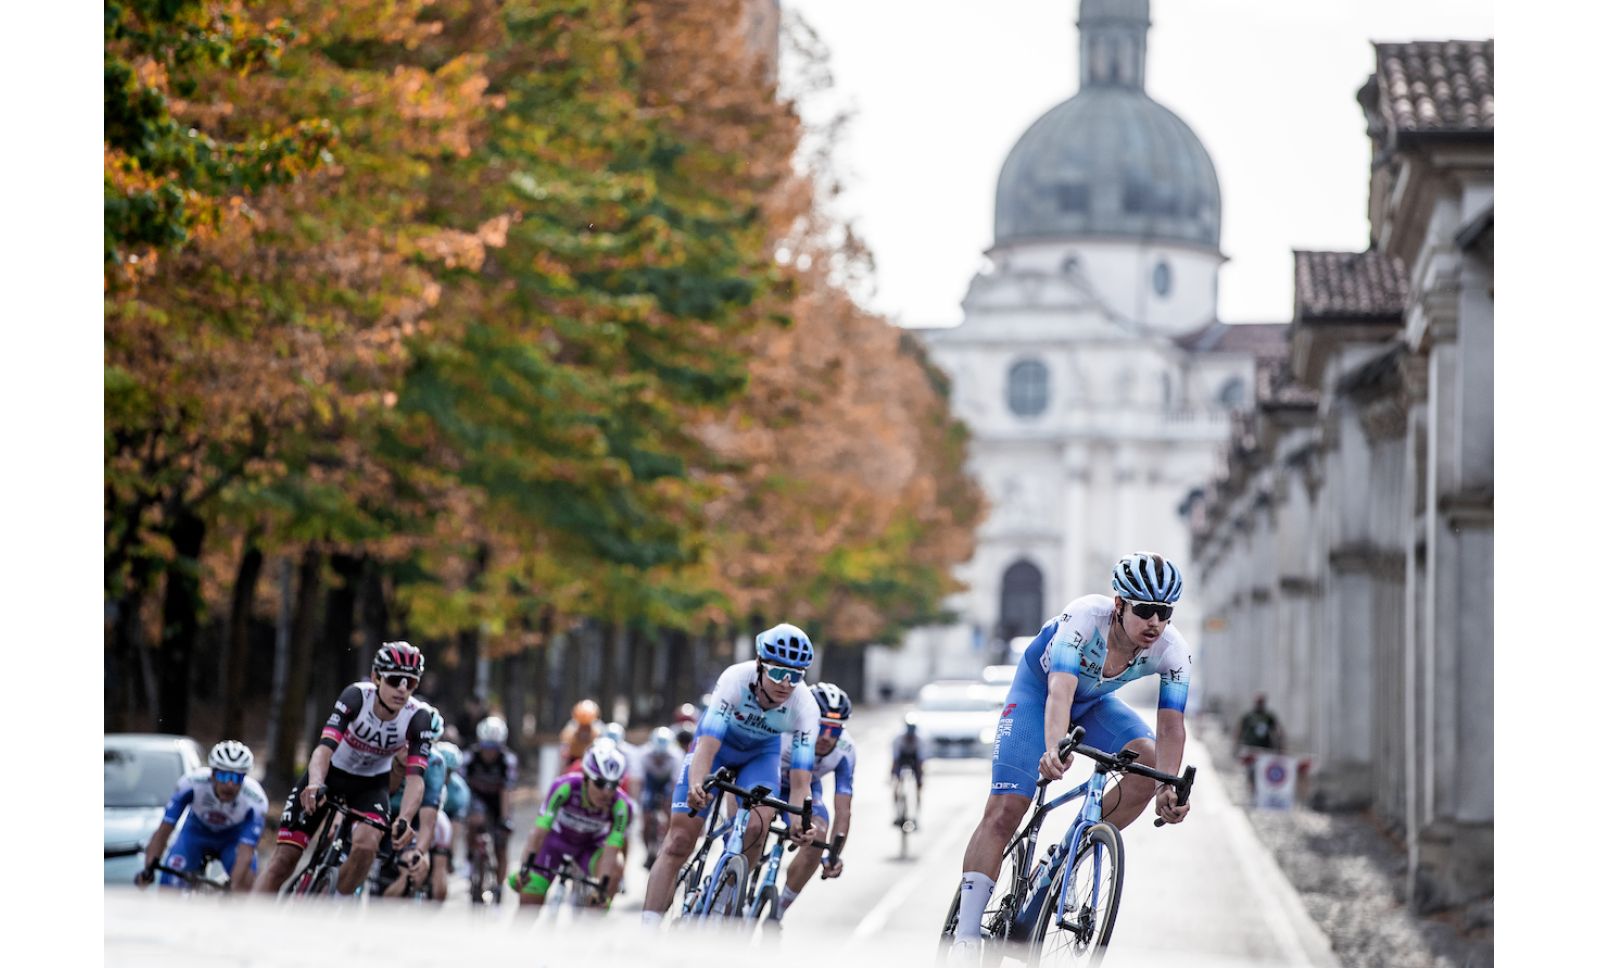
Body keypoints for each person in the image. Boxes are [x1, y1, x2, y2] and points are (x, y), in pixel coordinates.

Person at [946, 553, 1194, 955]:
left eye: (1164, 612)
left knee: (1149, 764)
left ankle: (1071, 852)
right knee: (1007, 808)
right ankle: (966, 935)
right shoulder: (1083, 618)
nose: (1155, 622)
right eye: (1145, 610)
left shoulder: (1172, 649)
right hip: (1038, 695)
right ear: (1118, 605)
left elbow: (1170, 726)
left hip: (1094, 703)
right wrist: (1053, 749)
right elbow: (1059, 690)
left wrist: (1168, 786)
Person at [639, 623, 821, 926]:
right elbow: (707, 746)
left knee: (757, 827)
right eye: (778, 672)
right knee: (680, 840)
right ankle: (646, 933)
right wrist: (698, 782)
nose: (786, 684)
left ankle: (724, 902)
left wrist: (799, 822)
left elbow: (801, 781)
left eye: (796, 676)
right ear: (761, 664)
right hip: (718, 749)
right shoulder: (736, 679)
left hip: (761, 756)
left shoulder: (805, 707)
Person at [254, 641, 437, 896]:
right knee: (283, 860)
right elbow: (324, 749)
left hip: (370, 785)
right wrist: (315, 783)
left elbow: (416, 779)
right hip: (330, 775)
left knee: (366, 846)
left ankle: (334, 902)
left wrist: (405, 818)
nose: (403, 689)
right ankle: (249, 922)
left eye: (411, 682)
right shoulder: (356, 697)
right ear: (376, 677)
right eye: (395, 680)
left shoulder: (419, 717)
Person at [507, 741, 634, 909]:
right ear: (587, 777)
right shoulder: (564, 786)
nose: (607, 792)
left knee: (615, 869)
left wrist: (602, 888)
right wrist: (524, 868)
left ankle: (593, 926)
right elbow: (539, 831)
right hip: (554, 844)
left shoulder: (622, 805)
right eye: (600, 783)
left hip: (589, 848)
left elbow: (612, 849)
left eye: (614, 785)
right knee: (528, 906)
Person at [770, 683, 856, 923]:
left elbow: (843, 810)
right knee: (754, 824)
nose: (828, 737)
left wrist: (834, 854)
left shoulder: (846, 750)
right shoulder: (785, 731)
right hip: (771, 781)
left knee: (817, 837)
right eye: (823, 726)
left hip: (806, 787)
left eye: (836, 730)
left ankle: (778, 912)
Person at [136, 740, 270, 891]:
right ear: (212, 774)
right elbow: (164, 830)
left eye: (237, 778)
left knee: (244, 886)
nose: (230, 784)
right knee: (169, 889)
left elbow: (246, 851)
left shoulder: (256, 799)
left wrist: (234, 887)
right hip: (196, 833)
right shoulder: (191, 783)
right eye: (224, 776)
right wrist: (149, 868)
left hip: (232, 839)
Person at [372, 708, 449, 898]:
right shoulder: (386, 749)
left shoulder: (435, 763)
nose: (413, 748)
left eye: (425, 744)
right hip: (380, 809)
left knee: (413, 867)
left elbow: (428, 818)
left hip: (411, 820)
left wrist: (420, 852)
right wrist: (398, 766)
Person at [463, 714, 519, 898]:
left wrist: (504, 819)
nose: (489, 752)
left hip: (498, 800)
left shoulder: (506, 761)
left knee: (501, 843)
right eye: (486, 747)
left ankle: (500, 886)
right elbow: (462, 785)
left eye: (494, 748)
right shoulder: (470, 757)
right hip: (476, 796)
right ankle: (471, 859)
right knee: (474, 820)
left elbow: (506, 791)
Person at [638, 727, 685, 869]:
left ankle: (667, 842)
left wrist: (669, 802)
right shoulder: (643, 753)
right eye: (656, 756)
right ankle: (648, 852)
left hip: (667, 782)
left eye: (662, 756)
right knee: (646, 817)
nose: (659, 760)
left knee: (669, 809)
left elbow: (676, 782)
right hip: (650, 782)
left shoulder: (676, 755)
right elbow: (638, 780)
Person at [430, 739, 471, 901]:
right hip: (431, 812)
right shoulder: (428, 777)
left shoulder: (459, 789)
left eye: (448, 772)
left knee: (453, 826)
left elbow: (458, 818)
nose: (444, 776)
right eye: (442, 770)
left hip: (450, 815)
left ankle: (450, 857)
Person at [890, 720, 928, 824]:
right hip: (901, 758)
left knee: (919, 786)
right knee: (896, 784)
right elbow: (895, 761)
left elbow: (920, 763)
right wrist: (893, 776)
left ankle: (916, 815)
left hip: (914, 759)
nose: (910, 738)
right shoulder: (897, 739)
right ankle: (897, 813)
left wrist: (920, 780)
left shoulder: (920, 740)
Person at [560, 699, 604, 769]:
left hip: (593, 761)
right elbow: (564, 747)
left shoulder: (599, 729)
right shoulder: (570, 728)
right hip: (573, 760)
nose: (584, 728)